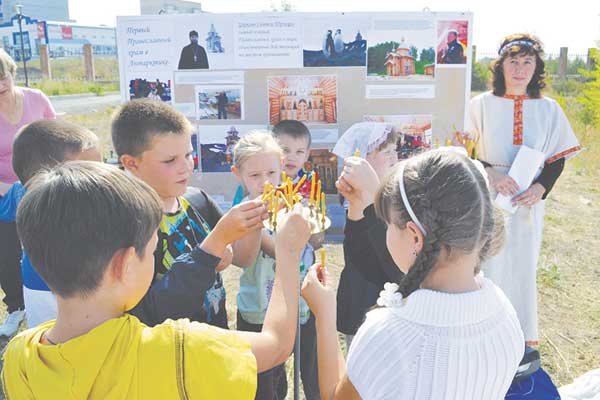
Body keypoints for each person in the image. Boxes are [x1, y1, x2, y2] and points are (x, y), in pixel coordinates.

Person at [2, 160, 314, 399]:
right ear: (124, 264)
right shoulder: (178, 349)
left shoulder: (19, 355)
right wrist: (288, 252)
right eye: (152, 251)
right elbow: (275, 347)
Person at [302, 149, 525, 399]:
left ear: (415, 236)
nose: (386, 232)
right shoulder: (505, 313)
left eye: (387, 225)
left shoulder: (388, 334)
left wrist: (324, 314)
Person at [469, 34, 581, 346]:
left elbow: (558, 158)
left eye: (527, 62)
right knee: (487, 261)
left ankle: (519, 338)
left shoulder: (549, 109)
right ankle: (483, 332)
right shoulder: (480, 105)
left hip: (528, 202)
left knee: (521, 265)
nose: (520, 69)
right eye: (513, 61)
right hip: (488, 196)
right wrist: (491, 173)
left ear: (536, 68)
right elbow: (465, 151)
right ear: (501, 66)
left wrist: (540, 189)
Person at [112, 99, 264, 327]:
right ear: (131, 163)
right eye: (170, 160)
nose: (186, 166)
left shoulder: (197, 200)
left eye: (188, 155)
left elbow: (244, 258)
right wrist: (212, 247)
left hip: (212, 343)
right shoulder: (125, 223)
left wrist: (256, 217)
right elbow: (145, 313)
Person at [0, 49, 55, 336]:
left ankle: (57, 297)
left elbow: (57, 138)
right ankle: (16, 307)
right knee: (6, 252)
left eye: (3, 76)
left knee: (50, 246)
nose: (1, 85)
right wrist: (13, 189)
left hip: (43, 185)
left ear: (12, 71)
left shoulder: (36, 99)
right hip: (4, 191)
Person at [332, 122, 401, 349]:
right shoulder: (360, 197)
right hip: (366, 292)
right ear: (362, 158)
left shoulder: (396, 193)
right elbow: (363, 248)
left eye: (394, 150)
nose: (394, 157)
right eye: (386, 151)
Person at [271, 120, 322, 400]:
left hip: (304, 283)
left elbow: (318, 239)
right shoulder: (262, 181)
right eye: (284, 149)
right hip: (270, 283)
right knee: (273, 366)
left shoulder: (310, 186)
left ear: (307, 155)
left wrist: (311, 222)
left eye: (300, 151)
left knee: (310, 362)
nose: (291, 157)